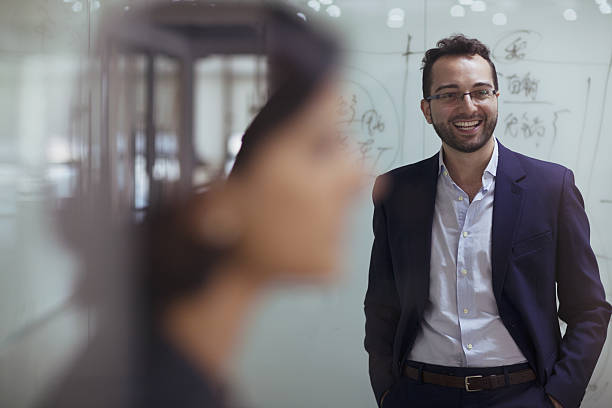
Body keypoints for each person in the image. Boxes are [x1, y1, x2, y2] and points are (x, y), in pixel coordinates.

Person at [40, 3, 361, 408]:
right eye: (321, 147)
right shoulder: (150, 392)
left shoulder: (169, 370)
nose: (357, 179)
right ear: (212, 198)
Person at [364, 35, 611, 408]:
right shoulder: (396, 191)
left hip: (521, 394)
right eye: (448, 94)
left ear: (496, 98)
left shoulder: (550, 187)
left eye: (480, 91)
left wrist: (559, 397)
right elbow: (382, 304)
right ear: (427, 109)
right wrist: (387, 391)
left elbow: (589, 309)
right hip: (418, 393)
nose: (467, 106)